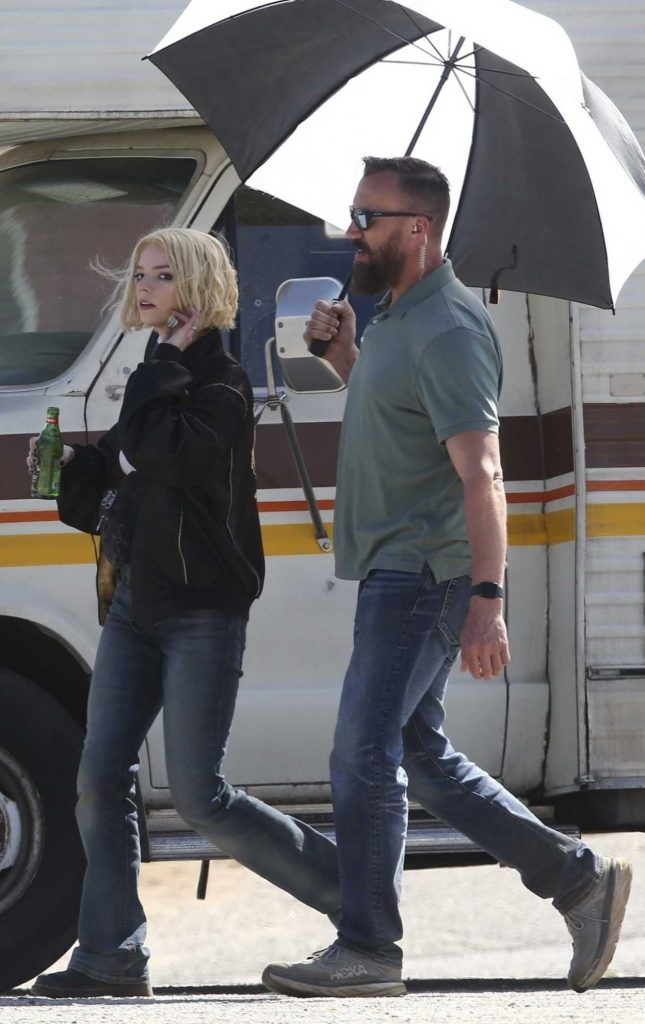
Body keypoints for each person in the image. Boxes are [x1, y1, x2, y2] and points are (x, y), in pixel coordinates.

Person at [262, 157, 633, 999]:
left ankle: (368, 949)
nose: (351, 231)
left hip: (422, 575)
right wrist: (347, 355)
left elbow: (482, 473)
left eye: (366, 217)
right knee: (416, 752)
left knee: (361, 752)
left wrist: (486, 599)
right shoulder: (398, 316)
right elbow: (402, 424)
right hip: (395, 570)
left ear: (418, 228)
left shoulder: (450, 329)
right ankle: (577, 880)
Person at [28, 228, 341, 999]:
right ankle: (110, 958)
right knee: (100, 779)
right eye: (141, 274)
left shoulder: (222, 387)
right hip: (136, 604)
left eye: (162, 276)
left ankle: (354, 894)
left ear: (197, 290)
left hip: (202, 609)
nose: (143, 288)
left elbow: (163, 453)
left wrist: (160, 368)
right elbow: (128, 476)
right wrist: (75, 467)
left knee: (201, 794)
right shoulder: (155, 378)